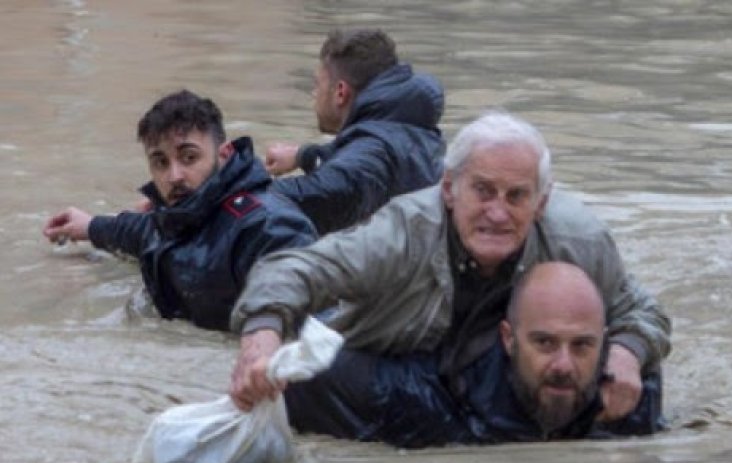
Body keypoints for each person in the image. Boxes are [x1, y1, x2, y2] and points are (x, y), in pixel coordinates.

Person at [229, 111, 671, 425]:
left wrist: (628, 352)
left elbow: (642, 313)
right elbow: (291, 270)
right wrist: (261, 340)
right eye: (483, 191)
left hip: (501, 375)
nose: (497, 213)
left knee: (641, 385)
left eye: (516, 196)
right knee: (303, 380)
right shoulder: (400, 234)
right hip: (400, 369)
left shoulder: (580, 241)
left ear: (542, 203)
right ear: (448, 189)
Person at [282, 262, 665, 448]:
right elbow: (303, 374)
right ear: (509, 339)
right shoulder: (422, 398)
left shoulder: (629, 398)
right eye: (544, 344)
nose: (564, 365)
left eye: (582, 346)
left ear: (604, 342)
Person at [42, 89, 317, 331]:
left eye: (189, 157)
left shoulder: (267, 227)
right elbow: (141, 231)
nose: (174, 175)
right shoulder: (176, 218)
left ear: (224, 155)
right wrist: (90, 227)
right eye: (160, 162)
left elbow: (317, 323)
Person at [264, 28, 445, 235]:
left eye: (318, 85)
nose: (314, 94)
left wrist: (238, 192)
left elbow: (332, 189)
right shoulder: (407, 128)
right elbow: (356, 161)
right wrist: (302, 156)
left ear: (340, 92)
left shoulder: (373, 151)